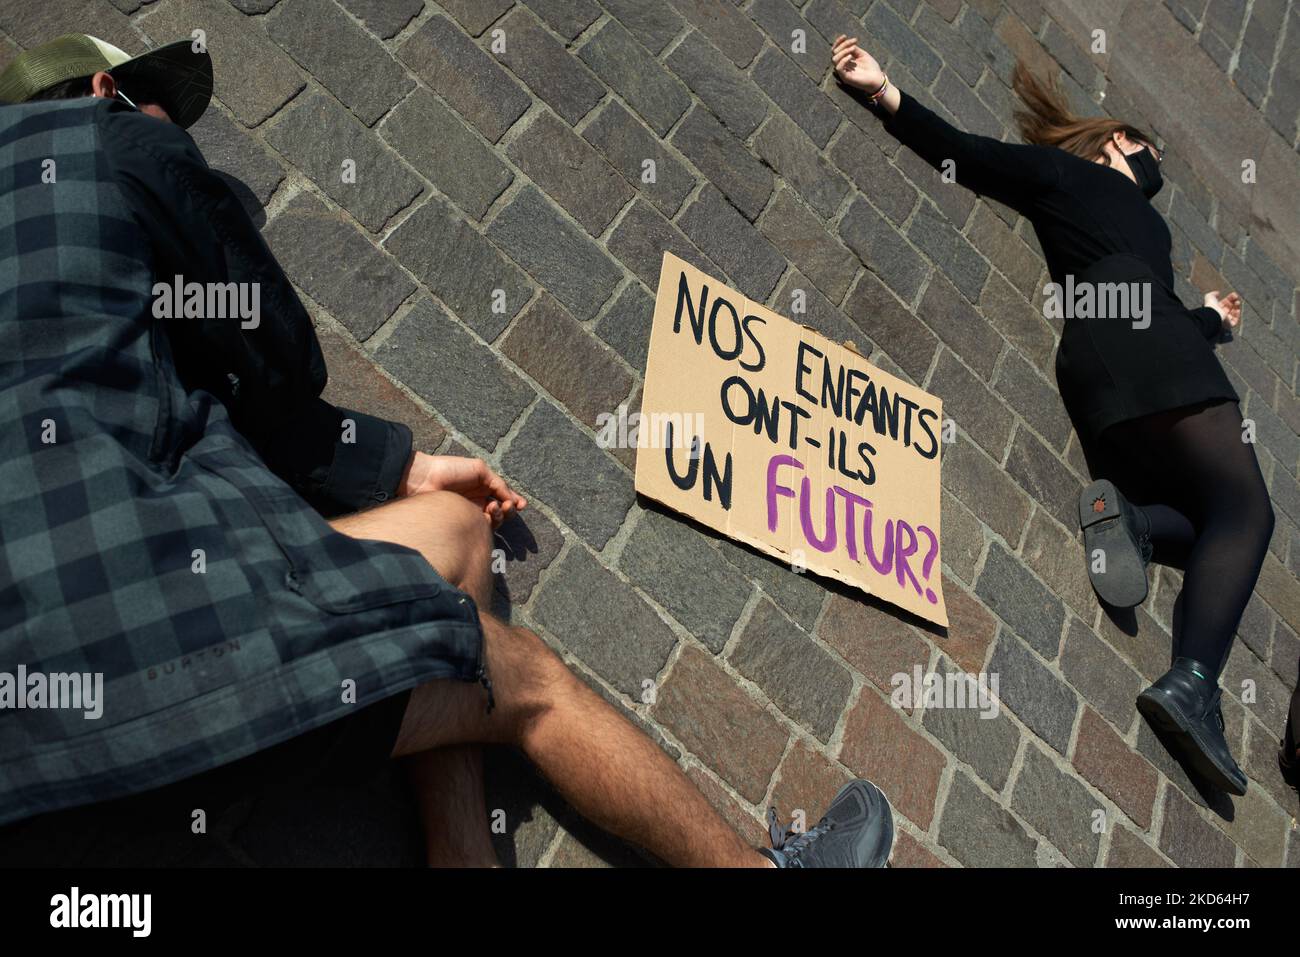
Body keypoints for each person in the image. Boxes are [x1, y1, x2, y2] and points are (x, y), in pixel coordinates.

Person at [0, 33, 896, 868]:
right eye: (162, 105)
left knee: (458, 535)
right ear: (106, 89)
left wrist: (401, 468)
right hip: (169, 659)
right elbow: (281, 357)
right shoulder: (101, 138)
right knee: (535, 686)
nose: (177, 133)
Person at [832, 35, 1274, 798]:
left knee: (1212, 531)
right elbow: (967, 154)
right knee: (1249, 512)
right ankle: (1194, 682)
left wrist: (1210, 323)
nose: (1156, 171)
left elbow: (1155, 307)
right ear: (1118, 144)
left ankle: (1133, 520)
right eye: (1150, 153)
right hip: (1144, 347)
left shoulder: (1129, 219)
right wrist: (884, 92)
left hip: (1101, 370)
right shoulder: (1070, 171)